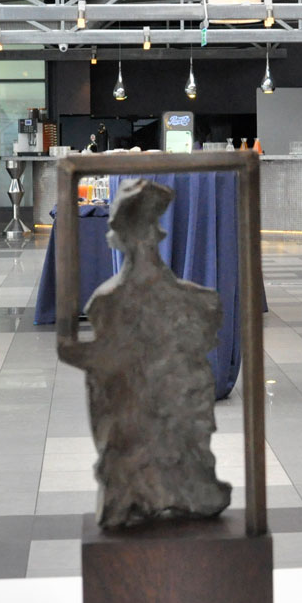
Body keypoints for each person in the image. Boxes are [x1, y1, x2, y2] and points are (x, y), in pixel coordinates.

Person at [56, 178, 231, 528]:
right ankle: (144, 495)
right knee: (138, 450)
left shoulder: (118, 300)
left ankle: (160, 493)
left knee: (160, 448)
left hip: (163, 412)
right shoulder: (117, 301)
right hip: (138, 415)